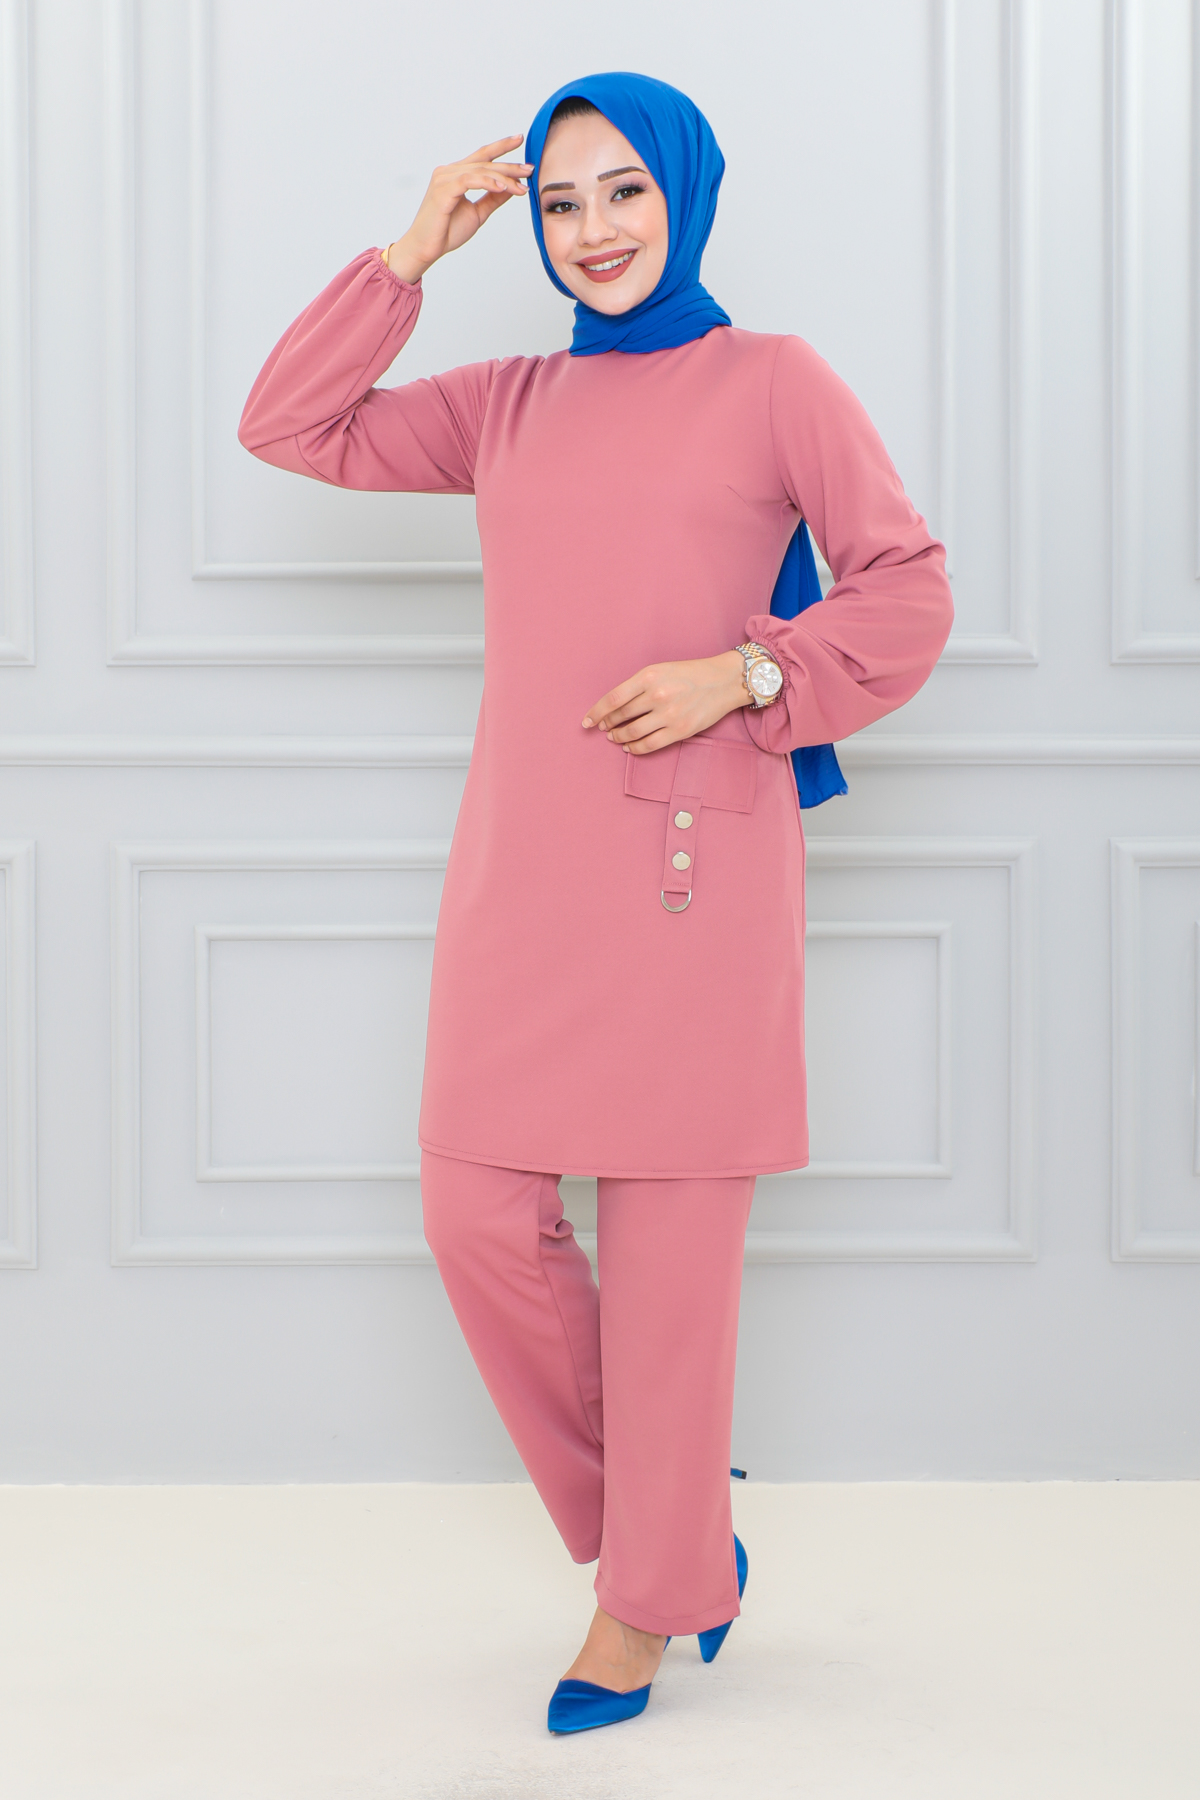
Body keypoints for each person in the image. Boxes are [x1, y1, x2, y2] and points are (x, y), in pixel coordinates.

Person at [238, 70, 954, 1735]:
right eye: (561, 203)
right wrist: (411, 252)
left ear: (685, 195)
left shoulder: (776, 382)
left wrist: (745, 671)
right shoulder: (505, 404)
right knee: (472, 1215)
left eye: (624, 191)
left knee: (675, 1272)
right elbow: (290, 427)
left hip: (696, 870)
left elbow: (906, 589)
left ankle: (644, 1600)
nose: (593, 229)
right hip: (525, 872)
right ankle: (676, 1533)